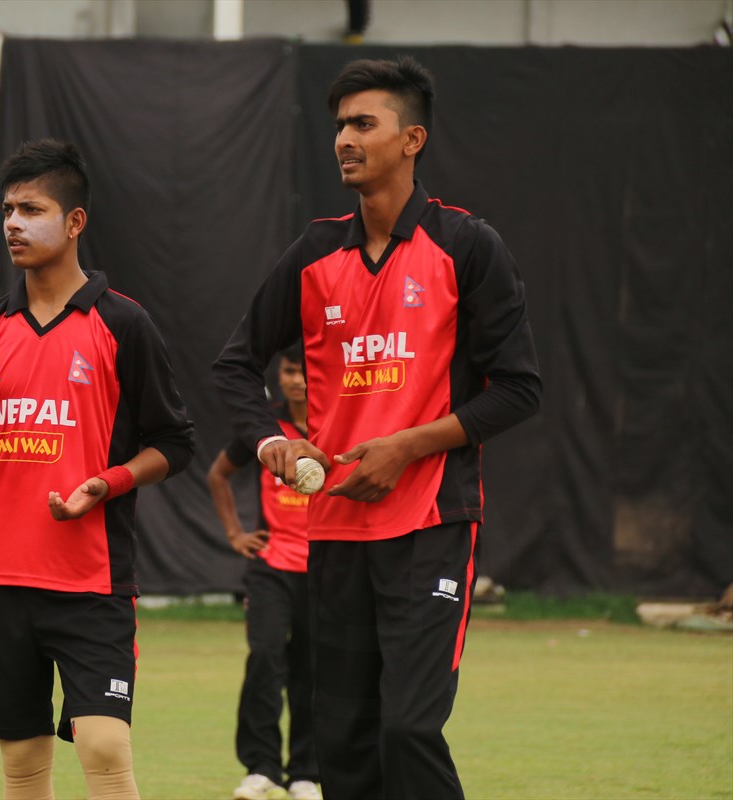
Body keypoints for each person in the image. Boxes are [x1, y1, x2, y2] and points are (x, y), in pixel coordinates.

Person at [212, 56, 541, 799]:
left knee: (409, 729)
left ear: (412, 138)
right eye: (339, 126)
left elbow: (519, 390)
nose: (345, 140)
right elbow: (234, 366)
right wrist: (273, 442)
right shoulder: (313, 253)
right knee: (346, 744)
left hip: (430, 525)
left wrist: (407, 445)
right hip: (334, 536)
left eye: (365, 123)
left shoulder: (466, 246)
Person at [0, 138, 195, 800]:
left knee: (104, 743)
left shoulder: (124, 325)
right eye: (7, 211)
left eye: (32, 209)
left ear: (75, 222)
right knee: (22, 759)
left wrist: (103, 484)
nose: (13, 225)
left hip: (90, 579)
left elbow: (175, 443)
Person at [207, 344, 320, 800]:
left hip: (324, 570)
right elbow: (218, 474)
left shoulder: (338, 424)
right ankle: (262, 769)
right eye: (290, 372)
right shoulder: (266, 430)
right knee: (265, 660)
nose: (297, 381)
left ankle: (307, 774)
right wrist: (236, 533)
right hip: (271, 566)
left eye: (305, 373)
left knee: (313, 671)